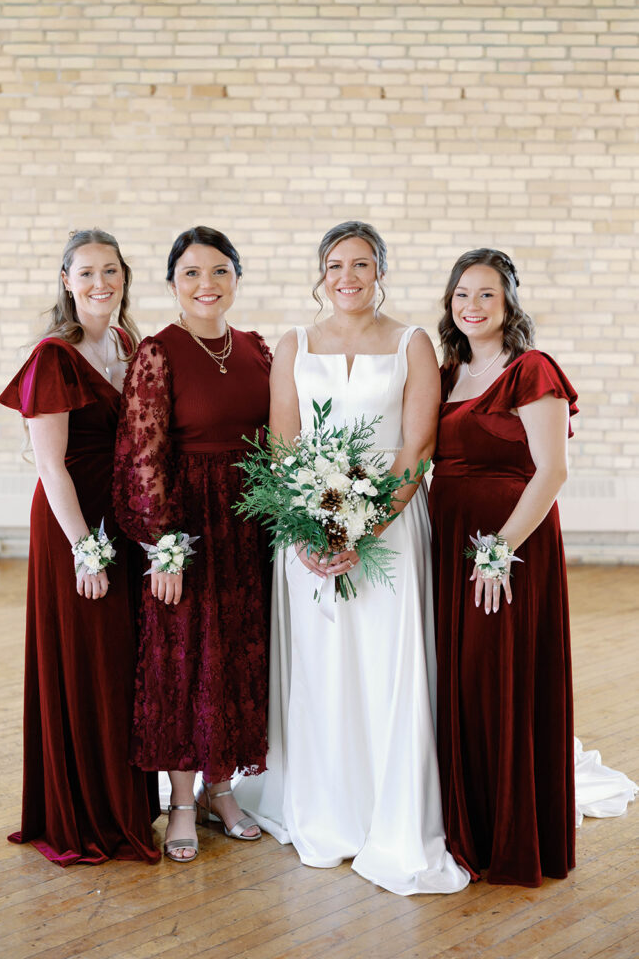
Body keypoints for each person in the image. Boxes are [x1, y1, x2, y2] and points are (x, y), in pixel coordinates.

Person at [238, 220, 470, 895]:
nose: (348, 276)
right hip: (304, 533)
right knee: (319, 667)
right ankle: (321, 806)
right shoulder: (293, 344)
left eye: (361, 264)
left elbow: (415, 447)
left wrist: (363, 527)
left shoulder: (411, 343)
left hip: (388, 528)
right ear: (320, 272)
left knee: (382, 664)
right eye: (336, 264)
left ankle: (384, 809)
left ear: (380, 272)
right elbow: (282, 444)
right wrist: (311, 530)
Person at [0, 228, 160, 866]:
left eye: (111, 272)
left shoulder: (127, 344)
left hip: (123, 518)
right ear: (66, 281)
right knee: (88, 658)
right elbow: (51, 466)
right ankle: (87, 813)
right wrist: (84, 549)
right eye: (87, 273)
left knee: (124, 659)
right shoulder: (53, 357)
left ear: (125, 276)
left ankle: (126, 800)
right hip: (76, 523)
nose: (101, 284)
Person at [112, 226, 271, 863]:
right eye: (192, 274)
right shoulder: (158, 352)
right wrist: (164, 546)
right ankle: (180, 798)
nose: (207, 285)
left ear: (236, 277)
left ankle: (220, 789)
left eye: (220, 272)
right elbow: (141, 453)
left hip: (246, 522)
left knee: (235, 655)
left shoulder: (257, 348)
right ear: (173, 283)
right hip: (187, 523)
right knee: (181, 660)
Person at [429, 247, 579, 886]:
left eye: (486, 294)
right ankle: (467, 822)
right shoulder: (444, 373)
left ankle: (509, 833)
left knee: (497, 677)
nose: (471, 305)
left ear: (509, 301)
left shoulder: (531, 370)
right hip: (447, 539)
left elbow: (551, 472)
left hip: (509, 547)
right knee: (459, 680)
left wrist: (499, 551)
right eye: (462, 294)